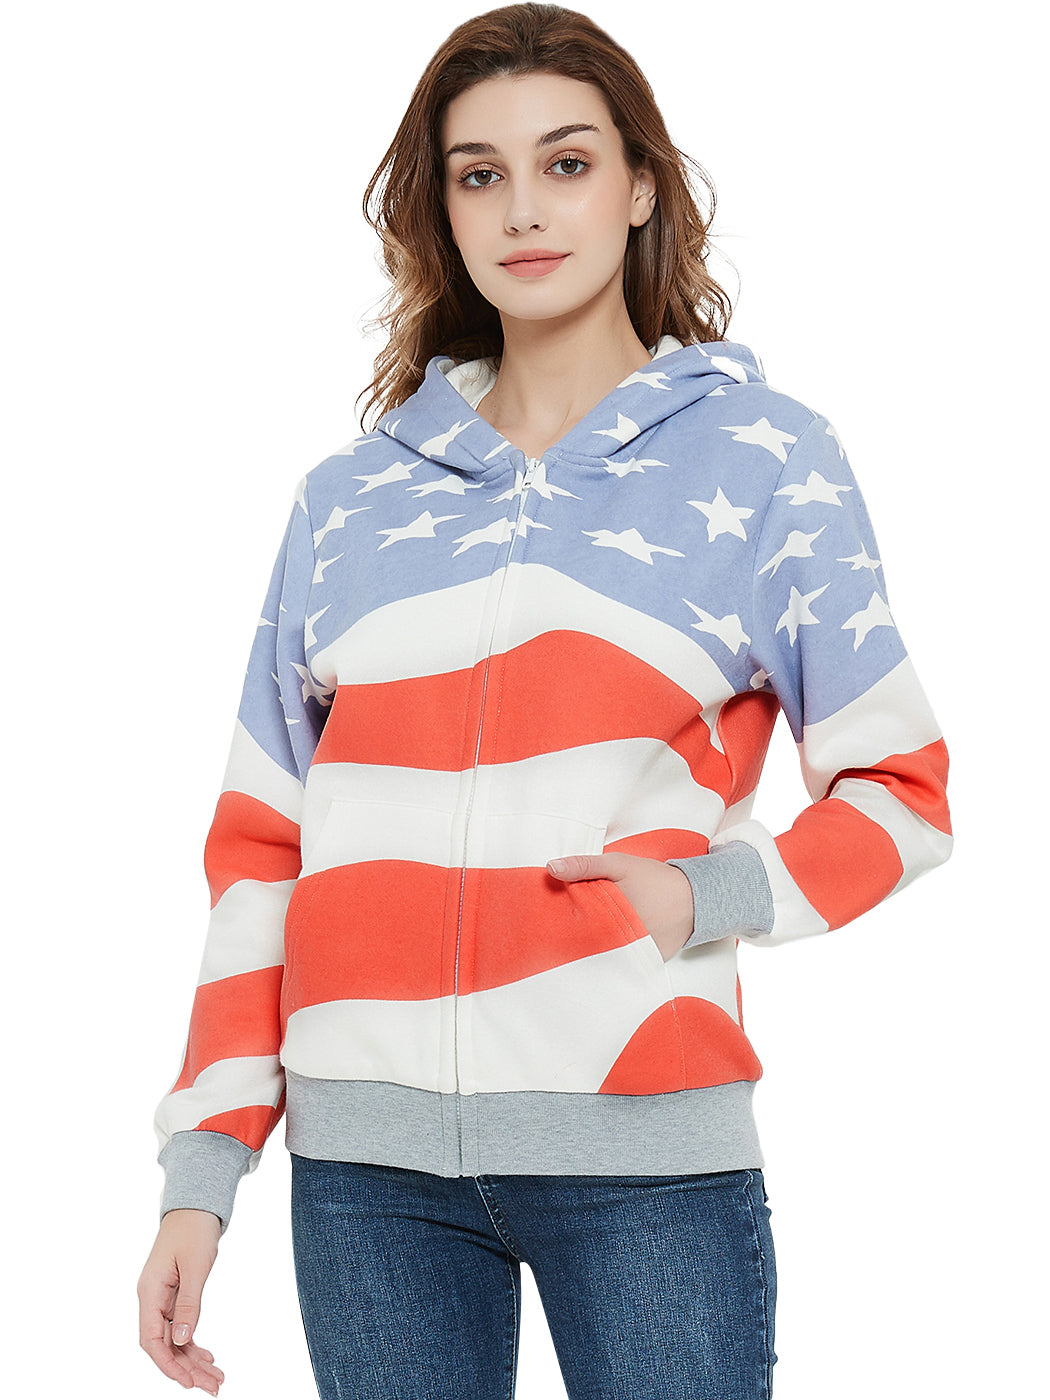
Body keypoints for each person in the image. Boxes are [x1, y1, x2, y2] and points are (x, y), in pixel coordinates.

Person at [137, 5, 952, 1397]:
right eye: (480, 174)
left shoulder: (765, 463)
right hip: (367, 1177)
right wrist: (203, 1170)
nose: (522, 208)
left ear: (639, 187)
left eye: (565, 163)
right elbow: (263, 848)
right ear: (441, 211)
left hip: (644, 1158)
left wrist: (698, 896)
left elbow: (903, 791)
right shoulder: (350, 500)